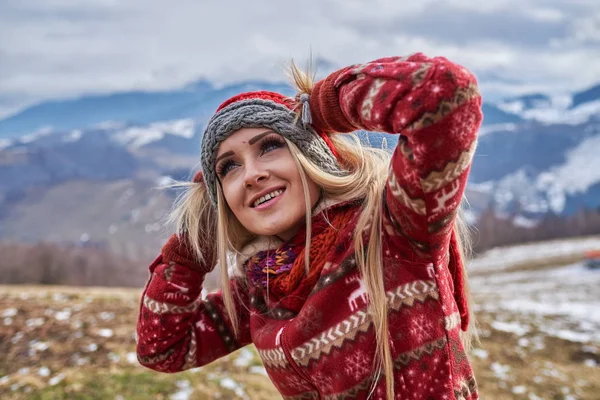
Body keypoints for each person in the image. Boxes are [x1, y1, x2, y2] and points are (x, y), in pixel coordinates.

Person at [136, 53, 483, 399]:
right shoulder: (261, 288)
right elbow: (163, 348)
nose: (252, 175)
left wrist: (326, 108)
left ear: (312, 155)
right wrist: (193, 243)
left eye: (271, 146)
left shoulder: (392, 231)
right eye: (229, 167)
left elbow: (446, 92)